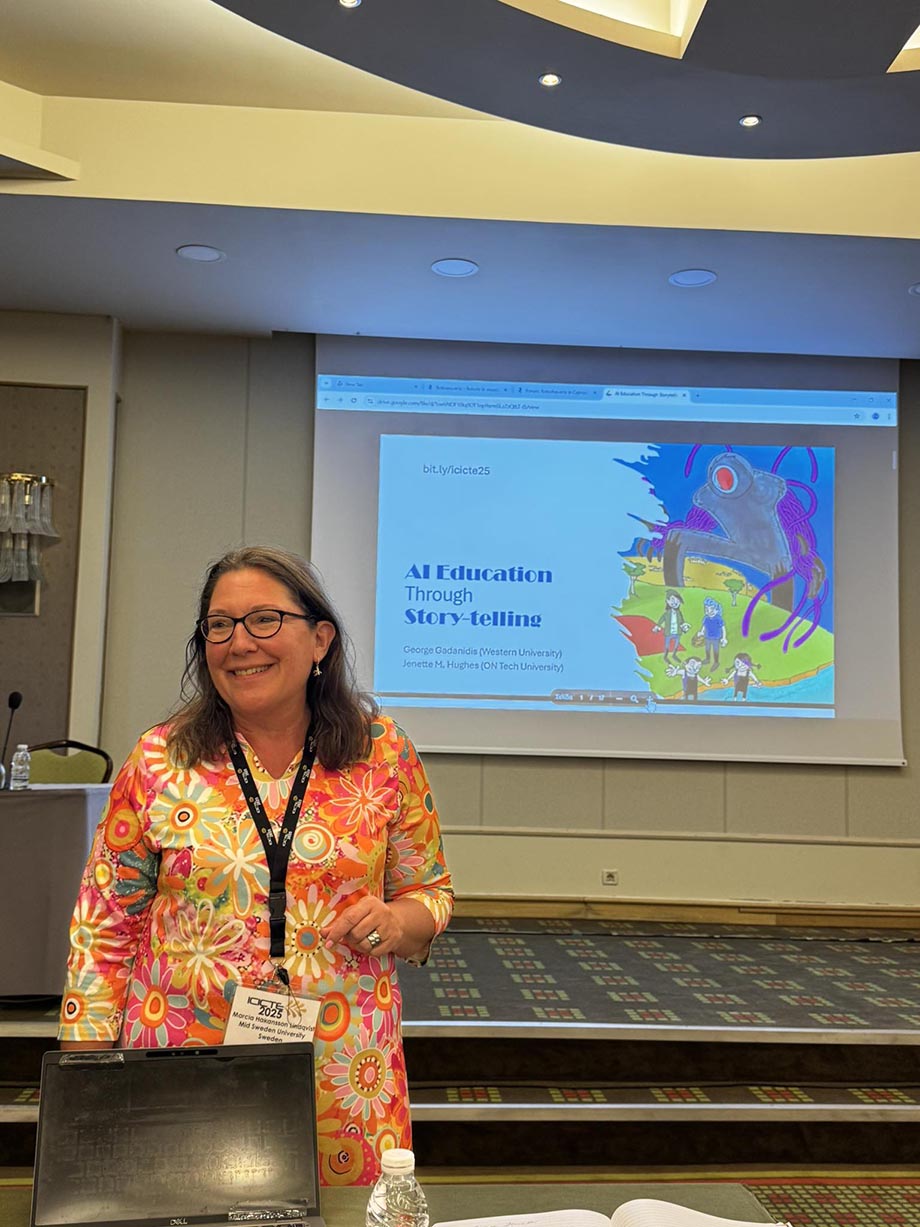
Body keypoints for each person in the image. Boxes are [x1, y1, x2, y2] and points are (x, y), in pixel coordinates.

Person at [58, 546, 454, 1186]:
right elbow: (102, 928)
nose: (239, 643)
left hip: (344, 1069)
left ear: (320, 639)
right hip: (182, 1061)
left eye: (264, 619)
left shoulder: (383, 754)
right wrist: (86, 1075)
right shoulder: (159, 760)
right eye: (219, 626)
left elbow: (429, 891)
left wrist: (395, 923)